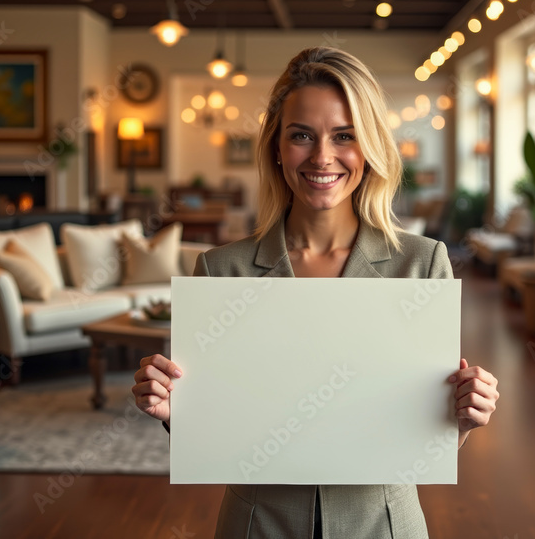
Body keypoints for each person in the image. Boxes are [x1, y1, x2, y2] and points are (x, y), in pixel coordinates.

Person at [132, 47, 499, 539]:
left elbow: (425, 435)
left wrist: (466, 416)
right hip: (257, 524)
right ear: (276, 147)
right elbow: (216, 425)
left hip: (384, 524)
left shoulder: (422, 263)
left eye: (344, 136)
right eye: (301, 135)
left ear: (368, 147)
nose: (322, 156)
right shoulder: (220, 270)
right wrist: (174, 412)